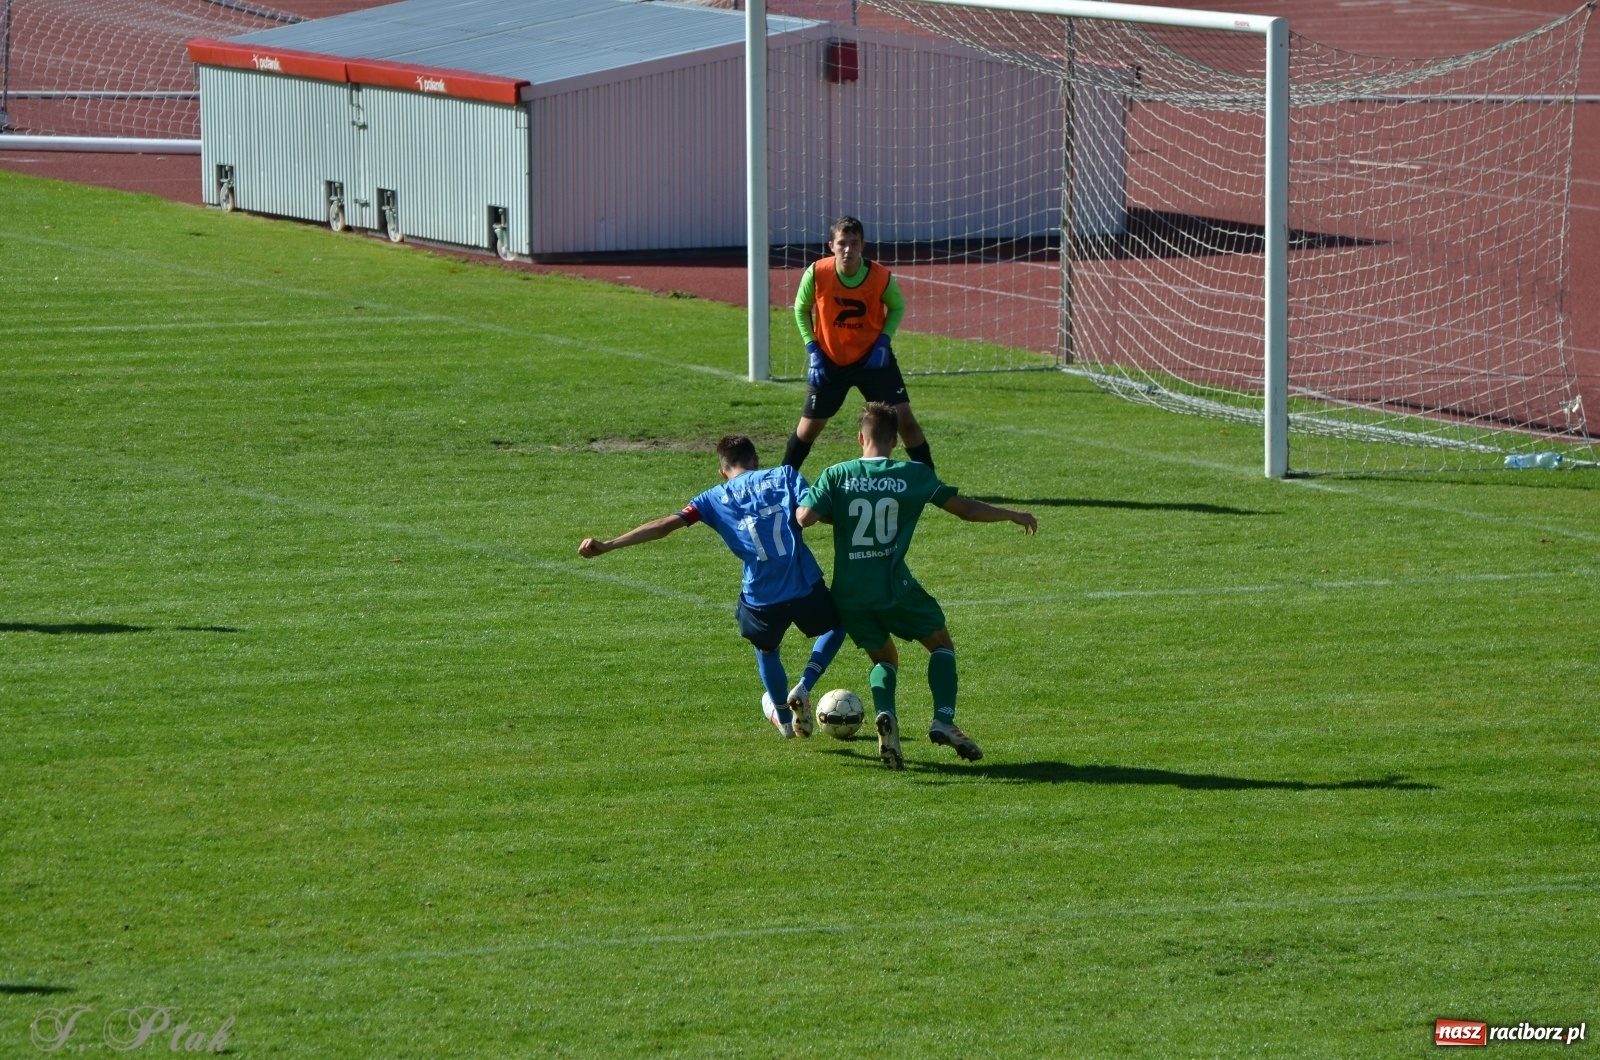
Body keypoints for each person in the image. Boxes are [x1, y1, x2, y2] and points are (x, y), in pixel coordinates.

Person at [796, 402, 1037, 770]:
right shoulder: (914, 474)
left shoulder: (836, 474)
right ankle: (943, 717)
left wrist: (837, 513)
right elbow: (965, 510)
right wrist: (1012, 513)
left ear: (861, 438)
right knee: (940, 643)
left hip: (849, 593)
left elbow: (805, 518)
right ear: (894, 441)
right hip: (894, 586)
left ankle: (887, 714)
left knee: (884, 658)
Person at [578, 435, 846, 738]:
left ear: (722, 470)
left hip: (760, 598)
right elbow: (818, 512)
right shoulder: (784, 475)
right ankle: (806, 684)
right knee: (838, 623)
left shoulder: (710, 499)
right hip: (803, 586)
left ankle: (784, 719)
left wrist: (610, 544)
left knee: (767, 649)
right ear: (756, 461)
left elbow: (664, 525)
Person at [782, 215, 935, 474]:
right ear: (831, 246)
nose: (848, 249)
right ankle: (781, 482)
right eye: (842, 243)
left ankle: (930, 483)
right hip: (830, 361)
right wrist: (813, 350)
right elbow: (801, 310)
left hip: (873, 361)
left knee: (904, 421)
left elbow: (897, 307)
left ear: (863, 245)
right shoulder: (818, 272)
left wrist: (883, 342)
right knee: (808, 429)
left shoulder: (879, 276)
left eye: (854, 243)